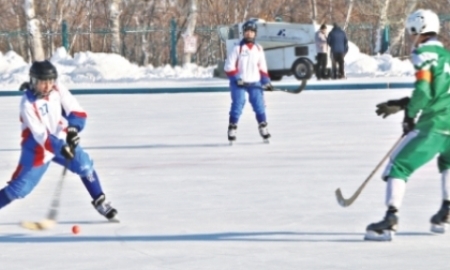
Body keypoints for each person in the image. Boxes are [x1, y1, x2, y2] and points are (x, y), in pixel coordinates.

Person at [367, 9, 450, 241]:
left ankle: (389, 219)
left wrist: (410, 114)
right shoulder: (447, 56)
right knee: (447, 161)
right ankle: (447, 209)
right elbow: (440, 90)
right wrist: (404, 103)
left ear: (417, 29)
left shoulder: (423, 54)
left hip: (434, 124)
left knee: (398, 165)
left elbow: (424, 90)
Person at [0, 60, 118, 221]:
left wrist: (73, 130)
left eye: (50, 81)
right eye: (43, 82)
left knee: (84, 165)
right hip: (37, 148)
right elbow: (41, 135)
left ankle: (100, 202)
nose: (47, 86)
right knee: (18, 190)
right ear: (33, 81)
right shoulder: (27, 103)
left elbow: (77, 111)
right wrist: (61, 147)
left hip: (61, 137)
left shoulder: (58, 89)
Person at [224, 19, 273, 143]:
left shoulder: (258, 49)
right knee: (238, 104)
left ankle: (263, 127)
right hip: (239, 83)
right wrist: (236, 78)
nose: (249, 33)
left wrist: (266, 81)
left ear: (255, 33)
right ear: (243, 33)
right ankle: (232, 128)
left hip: (254, 82)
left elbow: (262, 67)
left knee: (259, 104)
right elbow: (229, 66)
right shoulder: (238, 48)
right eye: (246, 31)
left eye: (251, 31)